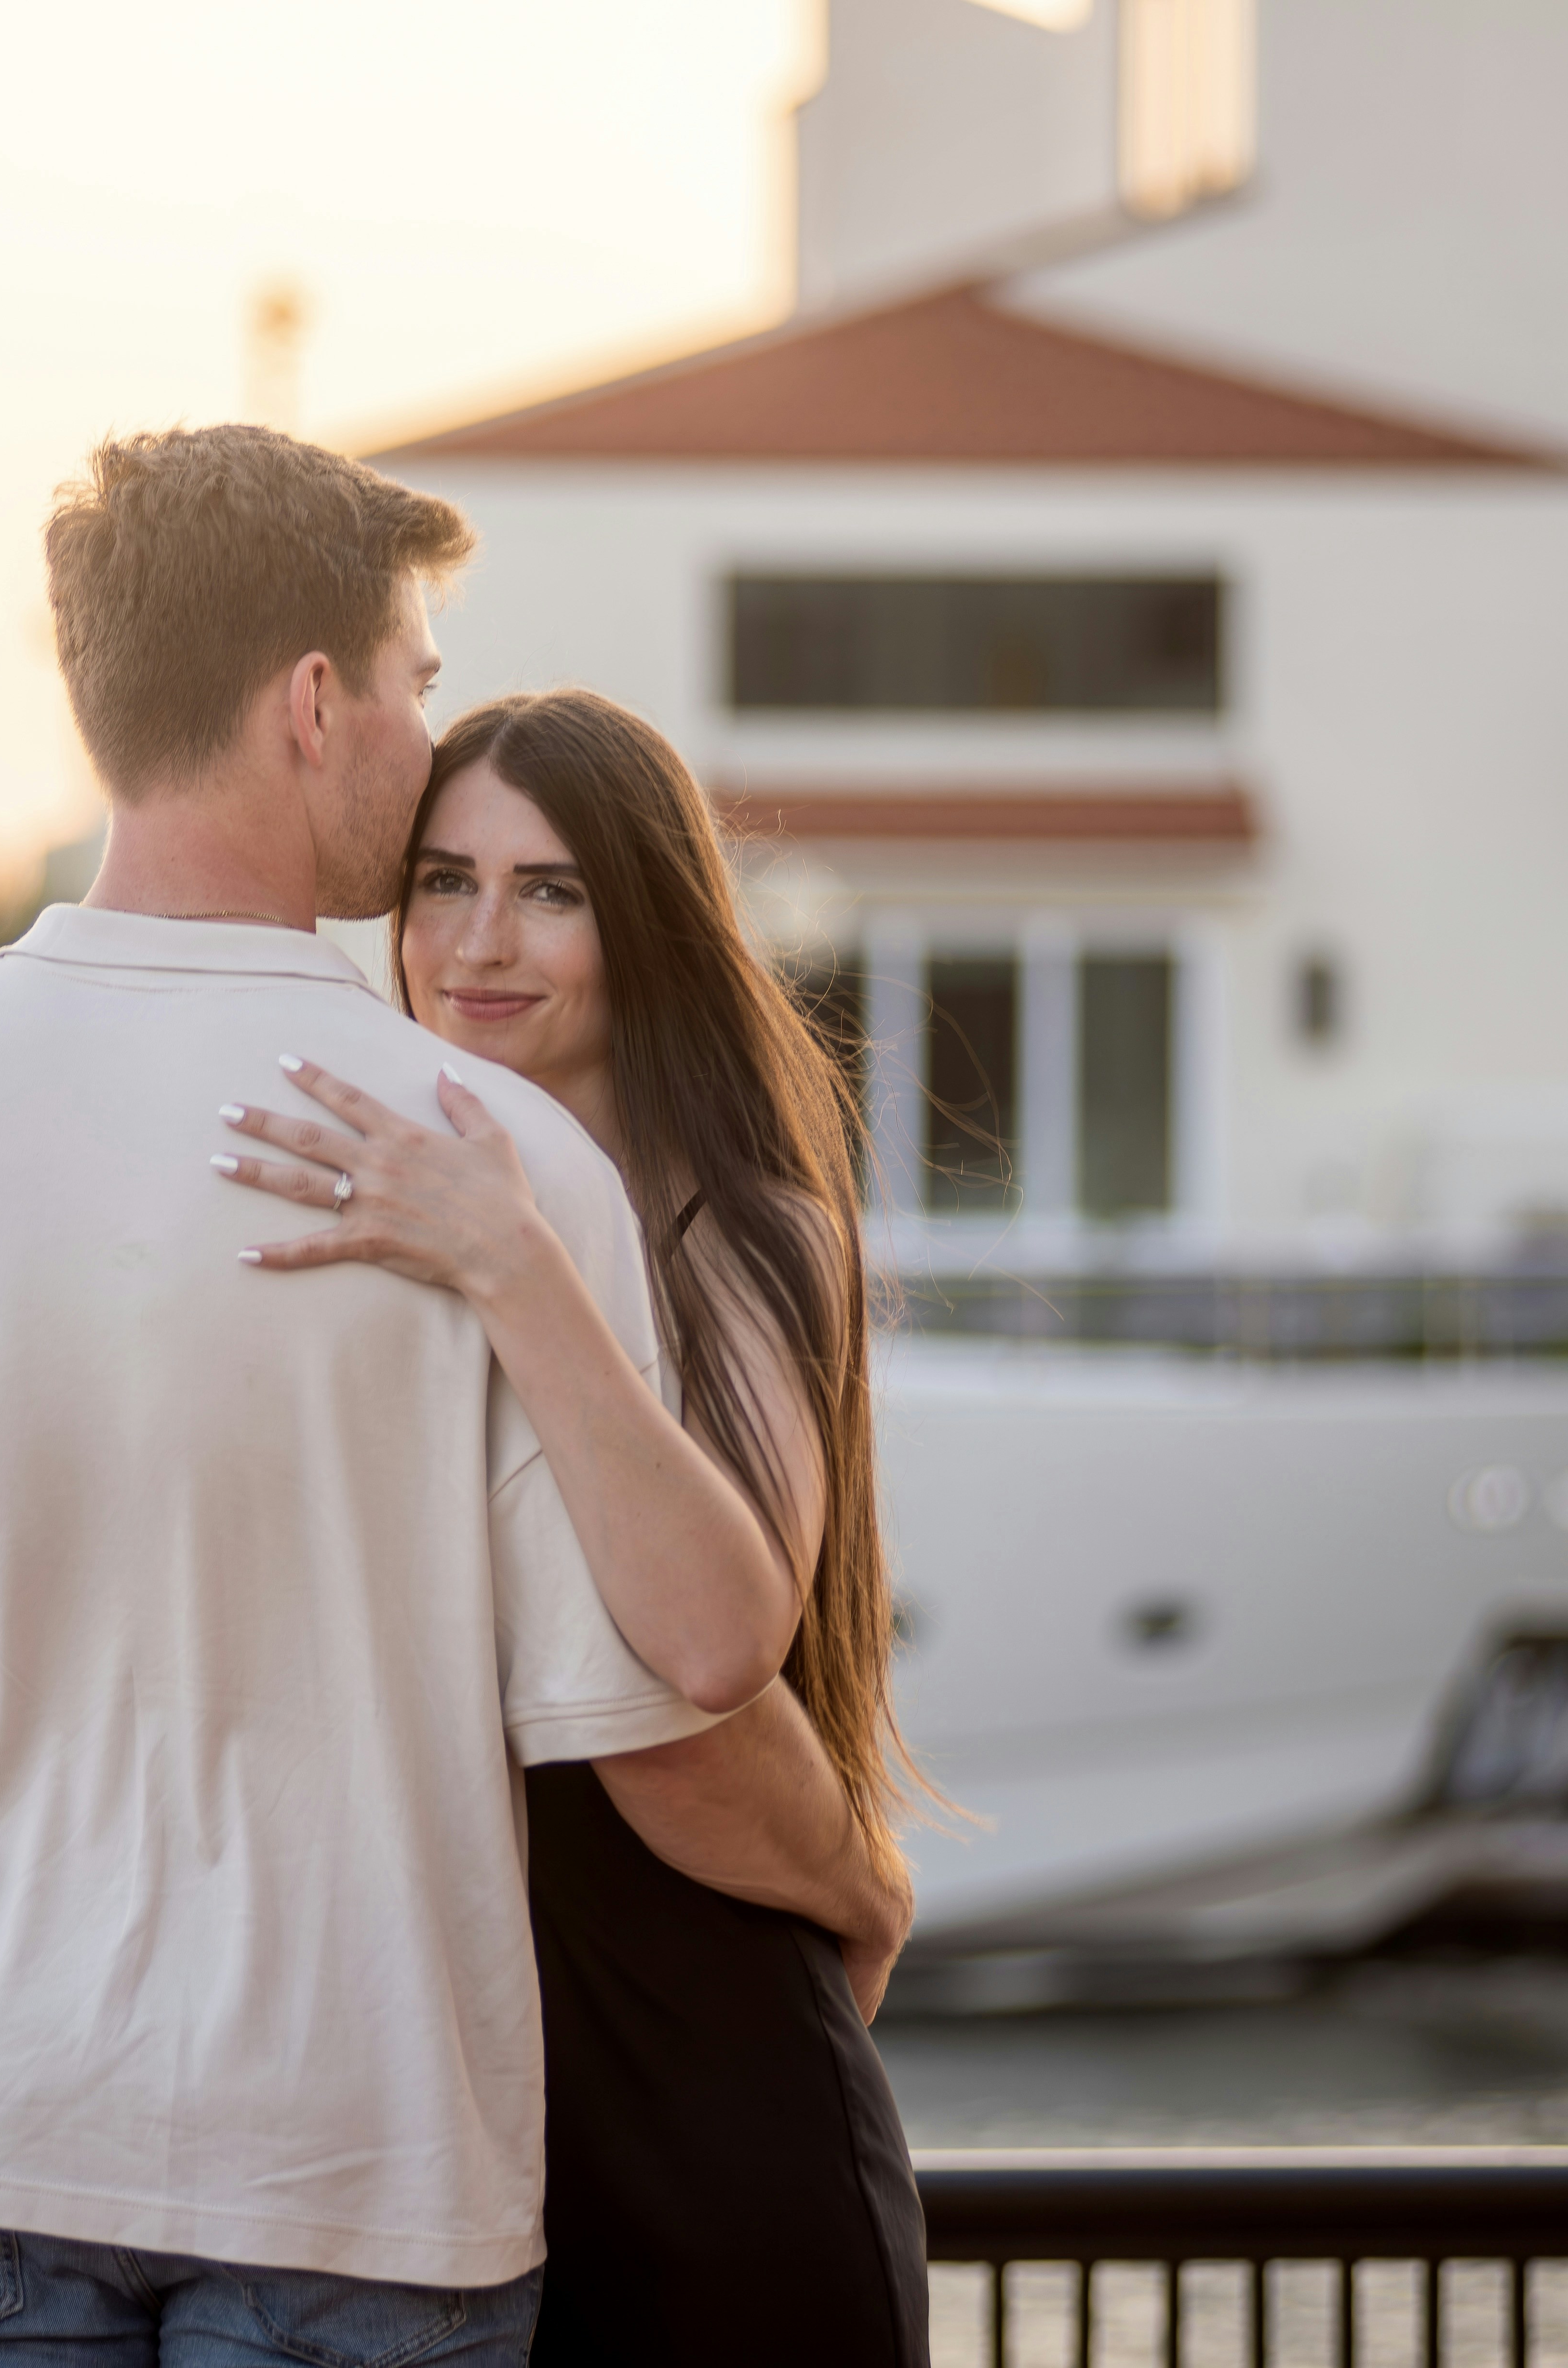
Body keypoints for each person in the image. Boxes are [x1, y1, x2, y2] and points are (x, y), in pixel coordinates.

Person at [0, 427, 911, 2368]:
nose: (427, 732)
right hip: (356, 2170)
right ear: (314, 699)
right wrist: (857, 1891)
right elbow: (659, 1705)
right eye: (420, 682)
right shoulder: (484, 1156)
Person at [213, 688, 934, 2367]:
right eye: (443, 882)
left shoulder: (742, 1236)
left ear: (648, 923)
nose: (480, 942)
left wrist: (515, 1263)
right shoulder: (338, 1214)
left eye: (552, 891)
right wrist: (860, 1883)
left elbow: (706, 1657)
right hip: (406, 2130)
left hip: (701, 2093)